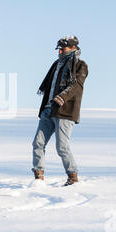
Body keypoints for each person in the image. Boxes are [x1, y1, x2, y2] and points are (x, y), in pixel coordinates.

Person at [32, 35, 88, 186]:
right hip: (48, 110)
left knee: (62, 146)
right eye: (59, 49)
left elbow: (76, 85)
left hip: (65, 111)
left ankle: (73, 176)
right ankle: (38, 178)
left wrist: (62, 97)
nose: (60, 51)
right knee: (38, 143)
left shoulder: (80, 65)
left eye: (63, 49)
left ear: (73, 48)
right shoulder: (56, 64)